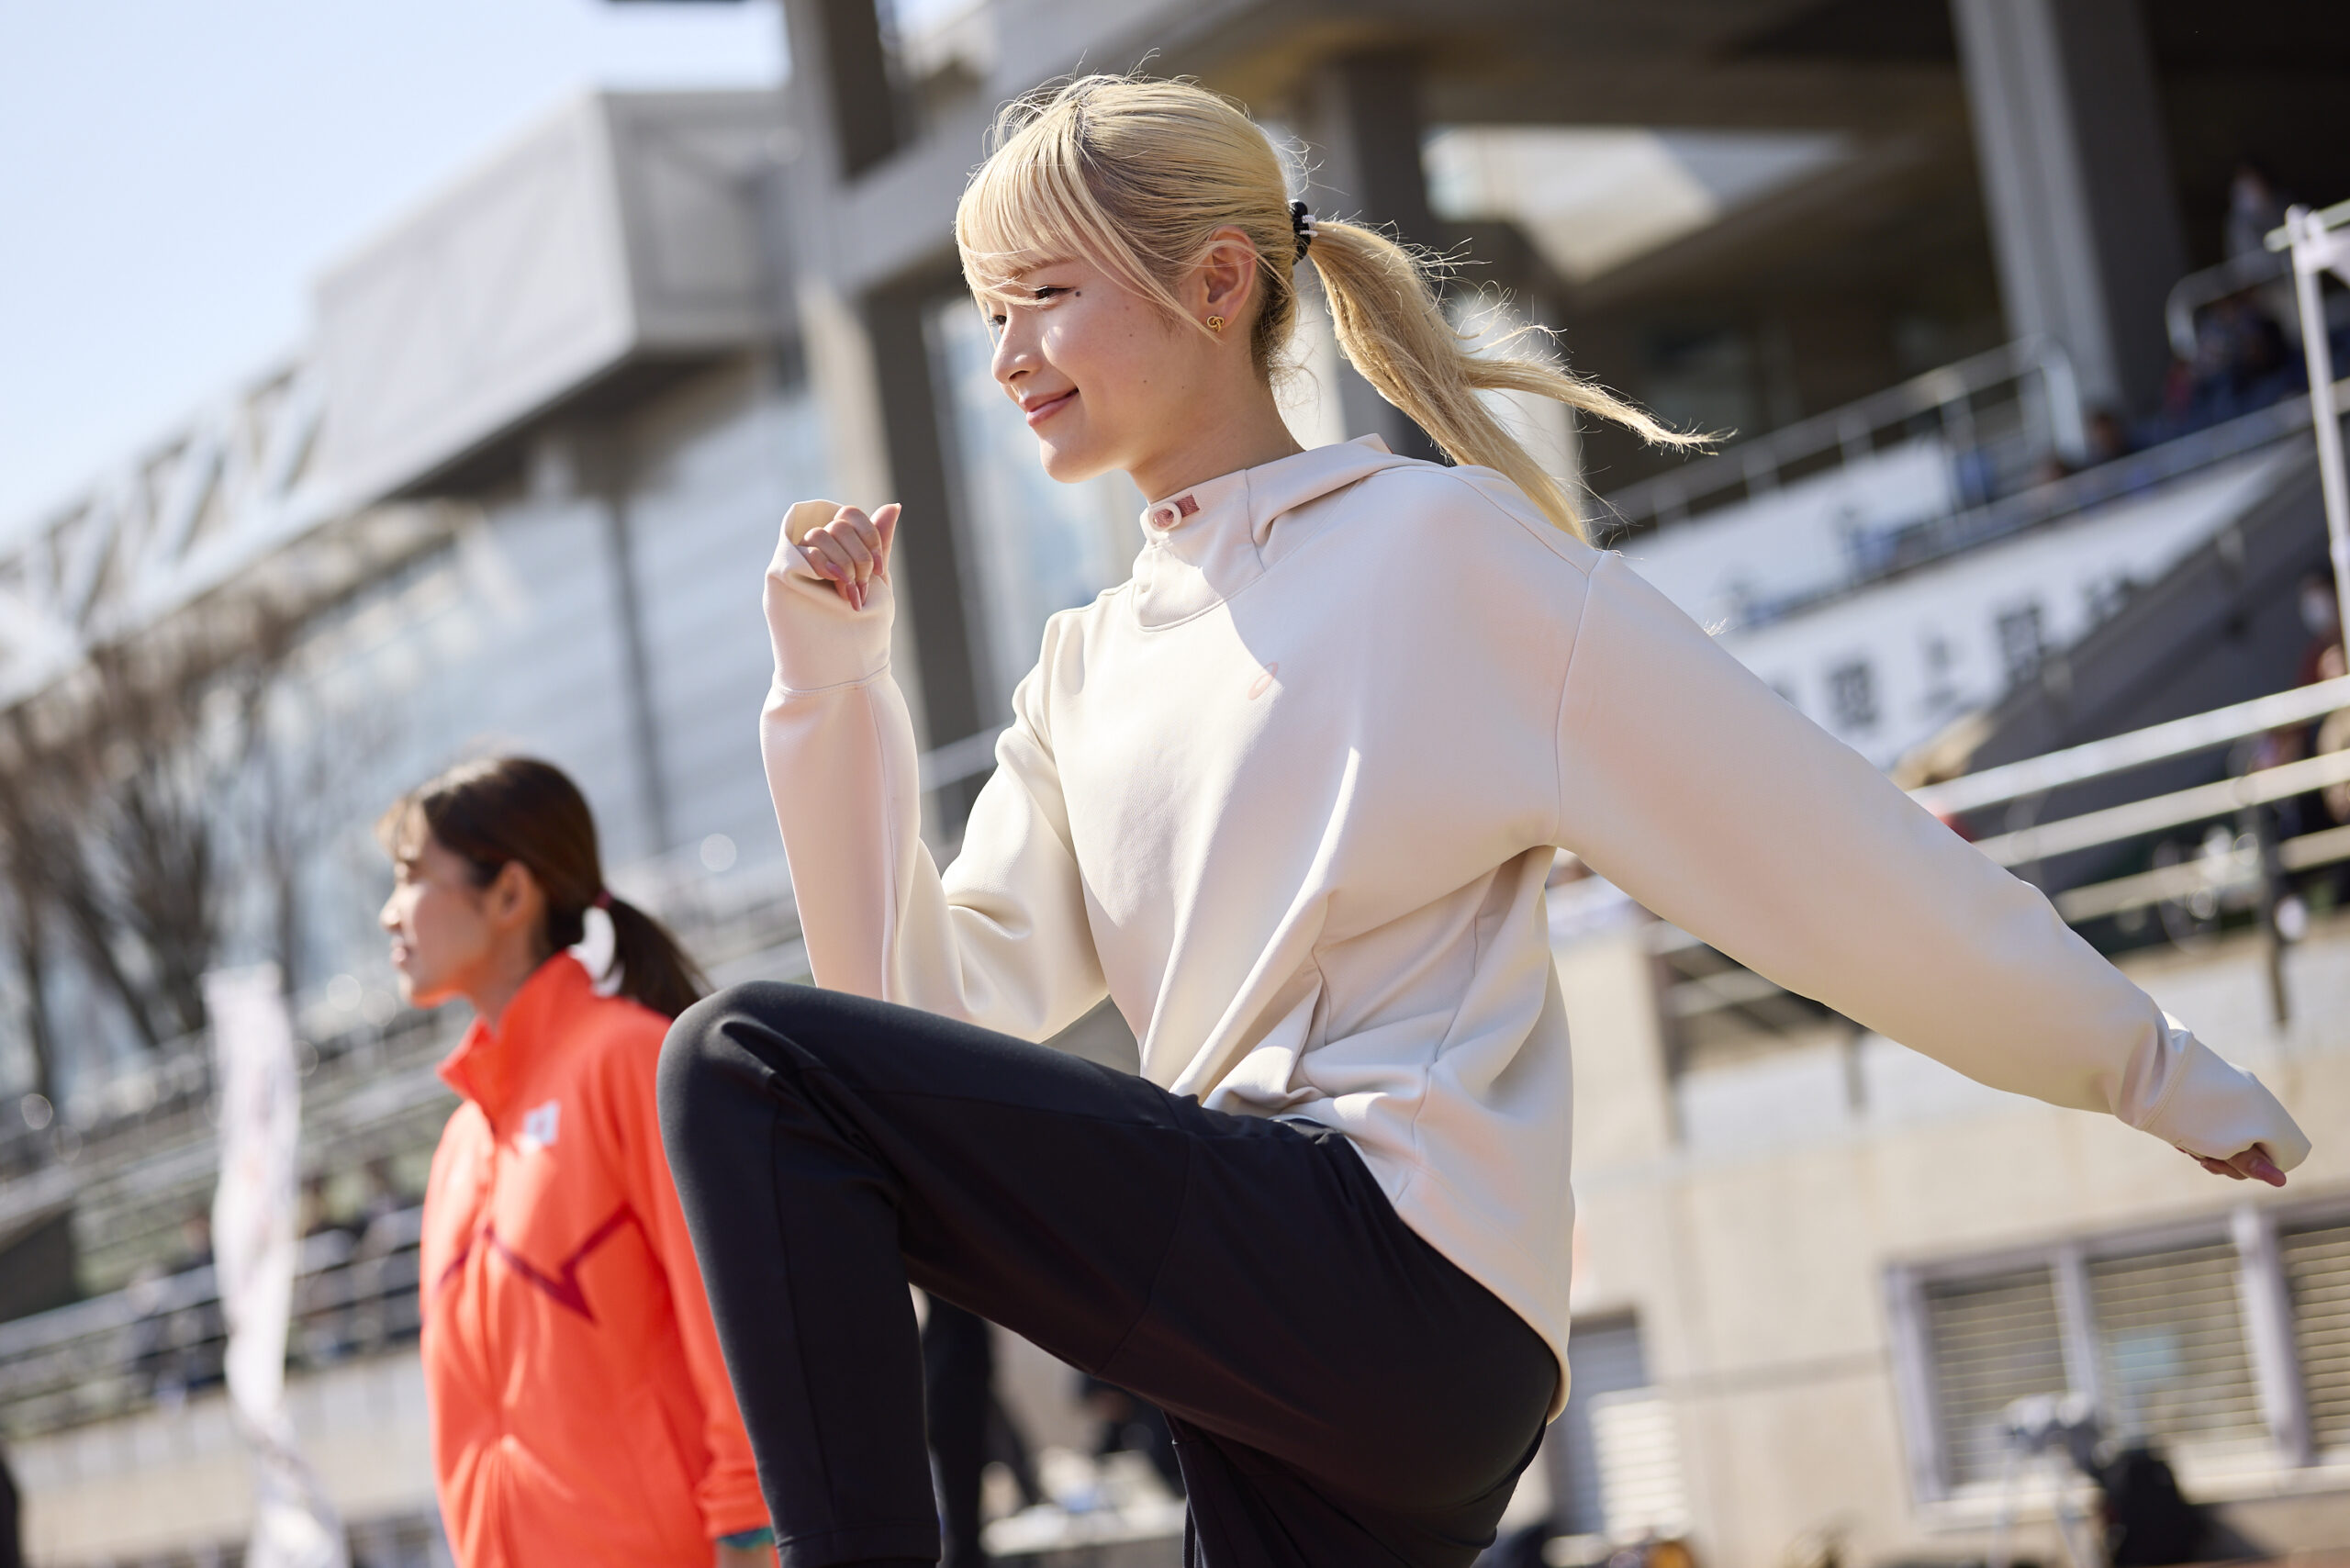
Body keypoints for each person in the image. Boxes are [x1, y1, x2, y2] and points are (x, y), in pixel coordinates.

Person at [656, 75, 2311, 1568]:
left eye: (1042, 298)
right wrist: (832, 697)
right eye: (985, 315)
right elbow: (919, 1017)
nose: (1007, 360)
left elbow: (1826, 845)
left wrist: (2145, 1058)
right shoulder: (1082, 667)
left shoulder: (1439, 554)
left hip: (1391, 1261)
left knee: (735, 1060)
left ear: (1218, 281)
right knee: (787, 1066)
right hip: (1287, 1370)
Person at [377, 757, 772, 1567]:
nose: (390, 914)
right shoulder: (459, 1147)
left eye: (412, 878)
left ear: (511, 896)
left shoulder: (633, 1062)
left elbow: (731, 1330)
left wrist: (750, 1536)